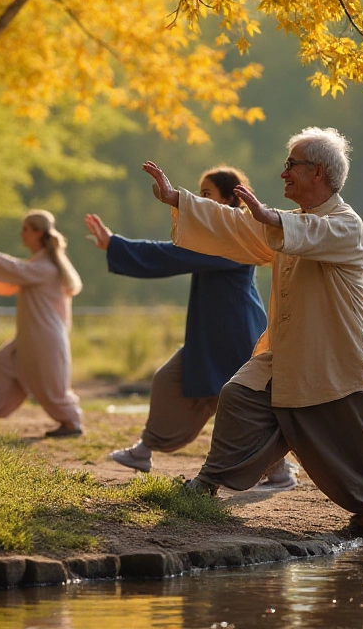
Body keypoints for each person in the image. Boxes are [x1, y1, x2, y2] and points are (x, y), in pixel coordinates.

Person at [141, 127, 363, 538]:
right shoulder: (287, 224)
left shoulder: (346, 225)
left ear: (318, 173)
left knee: (362, 445)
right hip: (286, 357)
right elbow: (236, 227)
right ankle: (205, 486)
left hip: (337, 364)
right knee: (238, 396)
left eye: (291, 165)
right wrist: (178, 200)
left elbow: (306, 236)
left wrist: (269, 218)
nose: (283, 174)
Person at [84, 166, 298, 489]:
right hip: (209, 335)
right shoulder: (211, 240)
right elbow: (173, 254)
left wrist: (117, 246)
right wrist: (115, 246)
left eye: (207, 195)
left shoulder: (233, 242)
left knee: (241, 405)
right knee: (170, 382)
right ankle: (146, 449)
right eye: (199, 194)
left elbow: (170, 257)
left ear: (230, 199)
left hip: (236, 334)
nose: (200, 201)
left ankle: (278, 469)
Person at [0, 210, 85, 438]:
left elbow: (14, 269)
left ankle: (73, 423)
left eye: (25, 229)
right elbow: (17, 271)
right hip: (34, 336)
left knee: (52, 387)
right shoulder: (41, 264)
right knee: (2, 361)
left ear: (38, 232)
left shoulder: (45, 268)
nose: (21, 234)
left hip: (44, 339)